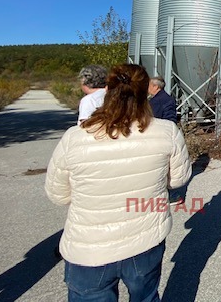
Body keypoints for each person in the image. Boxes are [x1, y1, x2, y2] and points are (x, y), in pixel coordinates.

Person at [45, 64, 192, 301]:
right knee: (146, 296)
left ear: (108, 90)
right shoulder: (167, 132)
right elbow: (178, 179)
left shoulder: (75, 137)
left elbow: (58, 194)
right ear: (145, 92)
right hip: (145, 240)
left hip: (90, 248)